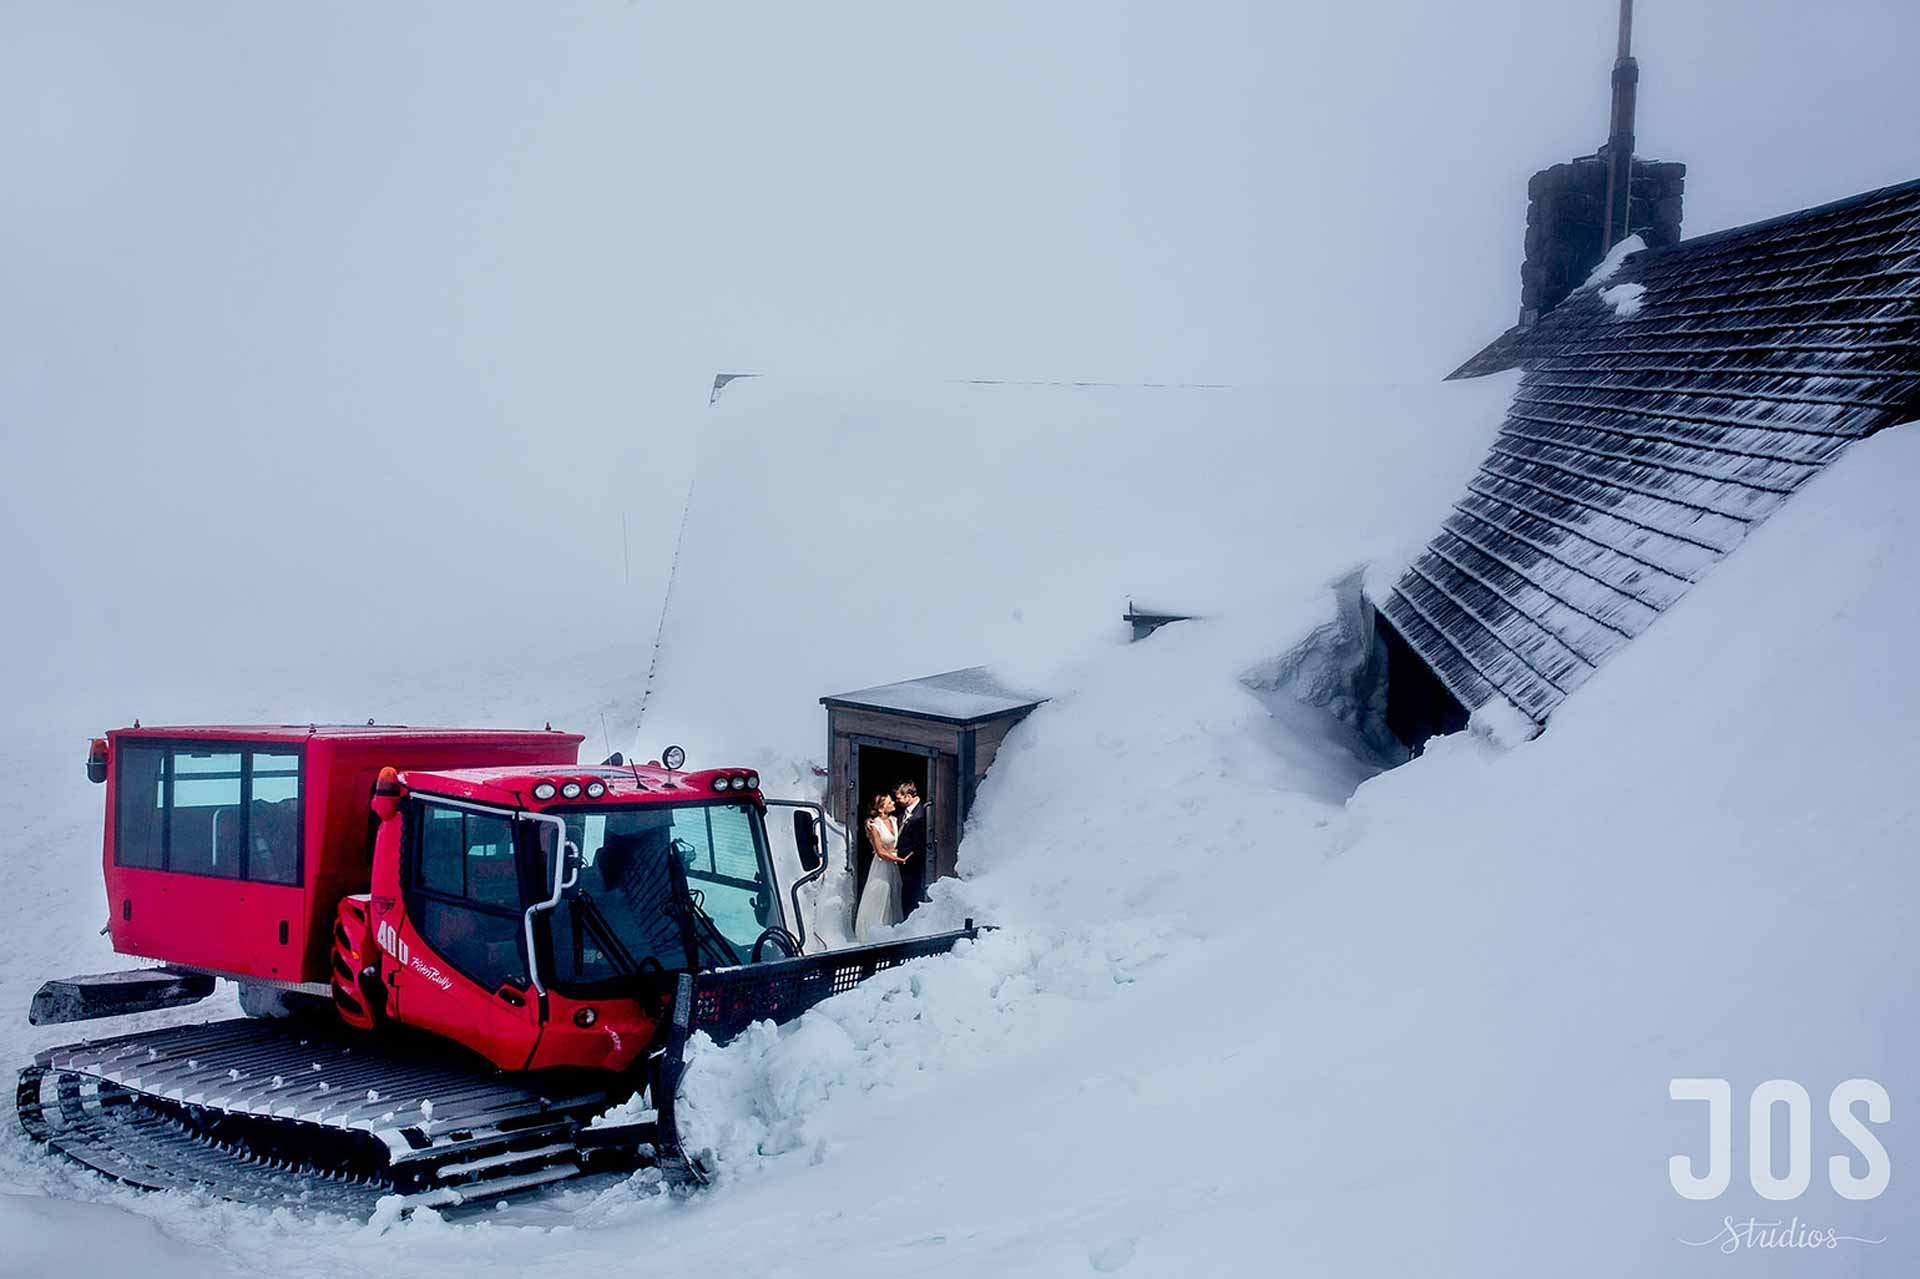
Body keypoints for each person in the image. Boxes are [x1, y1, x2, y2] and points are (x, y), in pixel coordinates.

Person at [853, 792, 905, 940]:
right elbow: (880, 851)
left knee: (894, 895)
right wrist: (899, 859)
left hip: (893, 864)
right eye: (889, 803)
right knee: (880, 895)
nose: (893, 804)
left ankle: (892, 932)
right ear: (881, 809)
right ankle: (873, 932)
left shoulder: (894, 819)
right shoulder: (874, 825)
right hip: (882, 864)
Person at [892, 779, 930, 910]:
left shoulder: (924, 812)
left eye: (898, 798)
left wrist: (906, 856)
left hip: (914, 864)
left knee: (913, 897)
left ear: (908, 796)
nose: (896, 801)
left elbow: (921, 841)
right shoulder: (901, 812)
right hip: (901, 863)